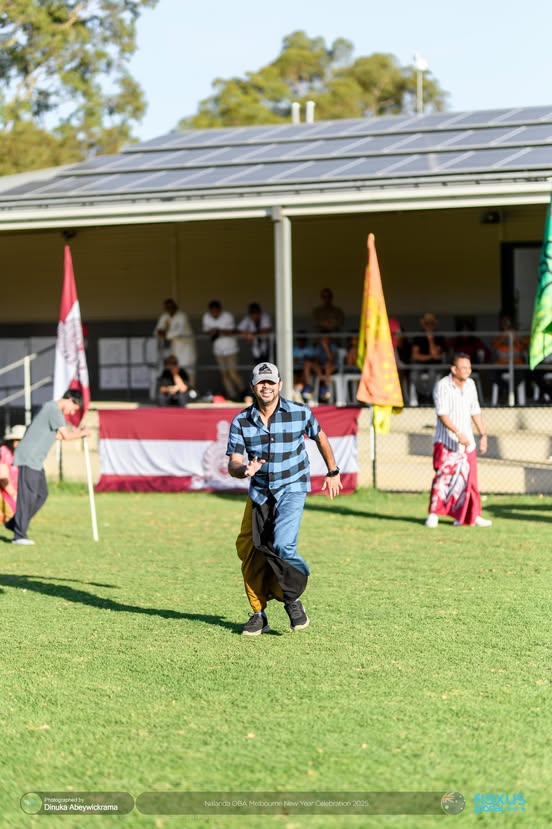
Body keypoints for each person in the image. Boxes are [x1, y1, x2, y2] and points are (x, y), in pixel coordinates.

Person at [227, 361, 343, 635]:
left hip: (292, 487)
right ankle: (258, 614)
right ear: (253, 386)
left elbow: (321, 437)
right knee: (251, 550)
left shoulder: (300, 412)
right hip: (259, 491)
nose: (266, 386)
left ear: (280, 385)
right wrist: (243, 470)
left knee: (282, 545)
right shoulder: (241, 420)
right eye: (260, 382)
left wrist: (333, 470)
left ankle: (293, 597)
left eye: (271, 382)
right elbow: (233, 462)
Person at [7, 389, 90, 545]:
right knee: (28, 496)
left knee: (41, 495)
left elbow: (57, 436)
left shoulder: (52, 410)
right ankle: (19, 535)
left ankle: (14, 523)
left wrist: (79, 434)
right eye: (73, 409)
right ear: (70, 400)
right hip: (28, 458)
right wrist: (83, 433)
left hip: (36, 460)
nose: (72, 413)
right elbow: (65, 435)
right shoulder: (53, 409)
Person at [425, 353, 492, 528]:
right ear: (454, 369)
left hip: (467, 444)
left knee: (470, 481)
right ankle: (434, 514)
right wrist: (457, 432)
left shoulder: (471, 385)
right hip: (447, 441)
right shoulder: (442, 386)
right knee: (443, 479)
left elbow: (475, 410)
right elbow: (442, 414)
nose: (467, 371)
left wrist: (482, 434)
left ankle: (472, 515)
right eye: (463, 368)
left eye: (469, 367)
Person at [202, 300, 244, 401]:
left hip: (230, 349)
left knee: (233, 373)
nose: (215, 313)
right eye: (213, 311)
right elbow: (207, 332)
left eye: (216, 310)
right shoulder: (206, 317)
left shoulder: (227, 316)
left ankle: (243, 391)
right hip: (218, 350)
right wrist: (213, 332)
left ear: (220, 309)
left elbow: (232, 331)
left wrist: (218, 331)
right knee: (224, 374)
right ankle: (232, 395)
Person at [154, 298, 197, 386]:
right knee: (174, 368)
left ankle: (191, 390)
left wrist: (165, 334)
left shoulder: (182, 316)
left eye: (171, 307)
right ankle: (179, 390)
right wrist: (161, 332)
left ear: (175, 307)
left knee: (188, 368)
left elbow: (178, 332)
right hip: (175, 346)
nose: (170, 309)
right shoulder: (165, 316)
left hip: (186, 346)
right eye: (167, 307)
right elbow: (157, 331)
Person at [410, 312, 447, 404]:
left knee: (433, 374)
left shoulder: (439, 337)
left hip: (434, 365)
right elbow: (415, 356)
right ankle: (421, 395)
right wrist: (430, 357)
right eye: (427, 323)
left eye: (431, 323)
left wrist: (430, 340)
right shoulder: (418, 337)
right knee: (414, 374)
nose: (429, 326)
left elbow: (435, 353)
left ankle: (429, 396)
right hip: (420, 364)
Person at [0, 424, 26, 527]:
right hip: (4, 490)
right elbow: (3, 477)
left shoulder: (19, 454)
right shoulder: (4, 452)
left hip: (12, 490)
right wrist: (13, 494)